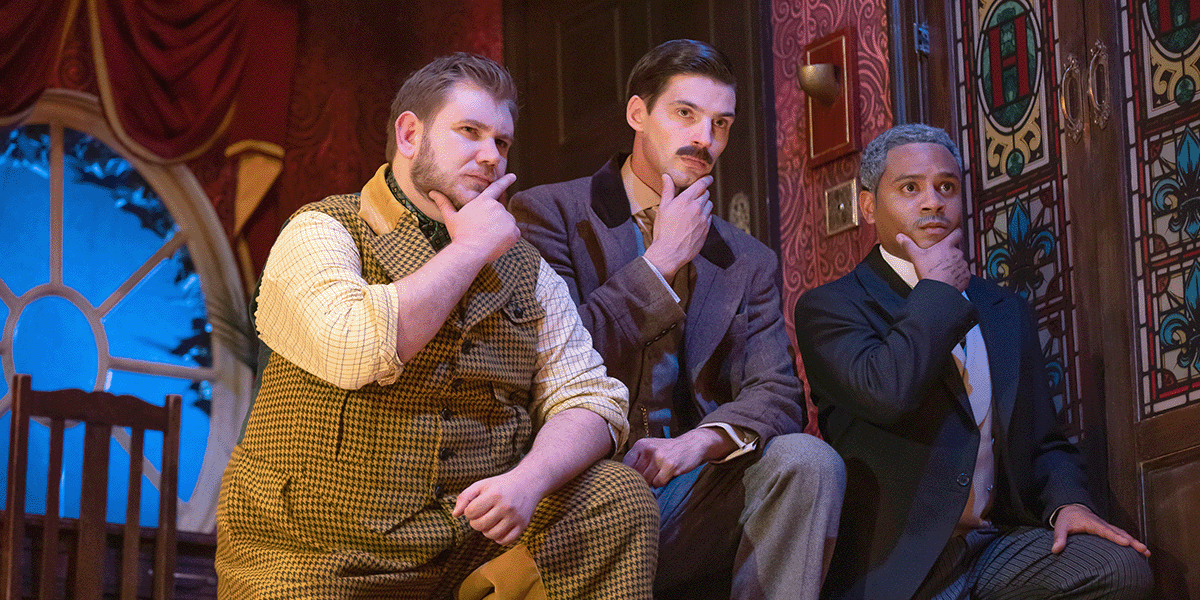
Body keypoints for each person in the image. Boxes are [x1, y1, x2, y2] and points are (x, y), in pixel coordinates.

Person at [214, 53, 659, 600]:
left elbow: (591, 397)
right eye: (469, 132)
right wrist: (469, 250)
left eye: (501, 142)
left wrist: (529, 480)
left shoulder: (527, 270)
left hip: (465, 557)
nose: (490, 156)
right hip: (315, 561)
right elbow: (354, 346)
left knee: (615, 495)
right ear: (409, 134)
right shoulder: (321, 230)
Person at [508, 39, 845, 600]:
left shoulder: (747, 258)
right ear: (638, 114)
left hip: (689, 488)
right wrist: (660, 262)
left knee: (808, 460)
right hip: (585, 493)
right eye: (685, 114)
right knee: (621, 493)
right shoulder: (551, 215)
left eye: (721, 123)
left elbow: (780, 394)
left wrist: (692, 446)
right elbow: (557, 357)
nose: (704, 139)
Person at [793, 123, 1154, 600]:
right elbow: (888, 392)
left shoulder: (1004, 309)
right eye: (909, 188)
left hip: (994, 546)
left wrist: (1068, 504)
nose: (932, 202)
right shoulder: (830, 308)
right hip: (899, 567)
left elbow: (1043, 442)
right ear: (867, 206)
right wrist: (938, 292)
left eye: (947, 187)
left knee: (1120, 570)